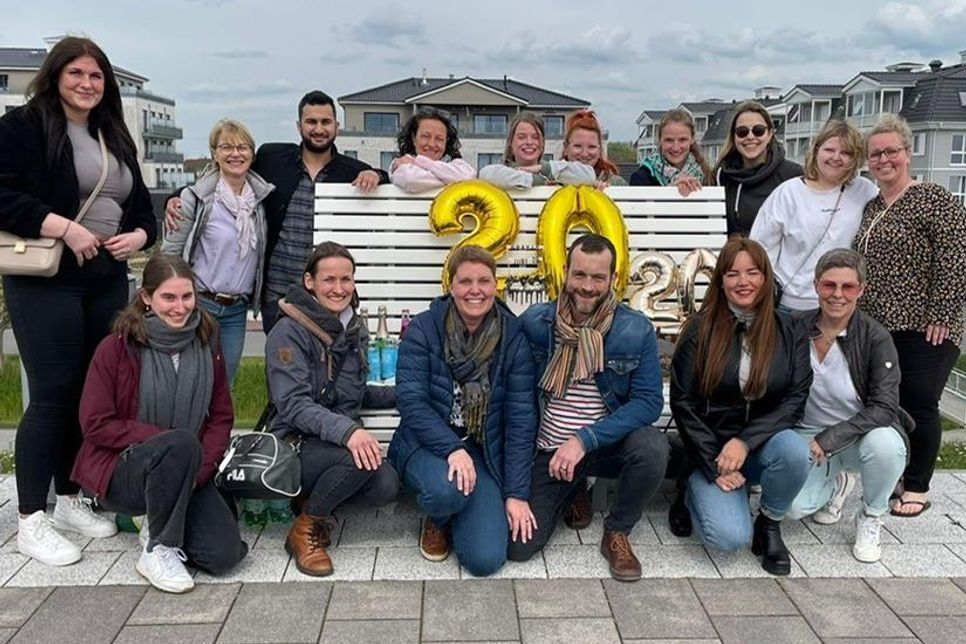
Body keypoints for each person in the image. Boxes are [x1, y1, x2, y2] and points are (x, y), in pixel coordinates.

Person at [0, 36, 156, 566]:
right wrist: (66, 228)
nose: (87, 84)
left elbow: (142, 210)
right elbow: (4, 195)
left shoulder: (113, 133)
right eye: (77, 74)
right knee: (52, 394)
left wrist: (139, 237)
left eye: (96, 76)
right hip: (47, 278)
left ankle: (69, 497)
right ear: (55, 76)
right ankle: (30, 518)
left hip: (105, 278)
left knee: (90, 392)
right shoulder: (24, 126)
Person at [74, 254, 247, 593]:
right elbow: (95, 424)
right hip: (124, 470)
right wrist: (167, 442)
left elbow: (221, 415)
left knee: (224, 556)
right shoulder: (116, 347)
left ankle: (161, 516)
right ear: (146, 297)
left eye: (187, 296)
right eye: (168, 297)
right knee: (179, 444)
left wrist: (196, 471)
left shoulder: (207, 340)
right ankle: (157, 548)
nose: (180, 307)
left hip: (188, 468)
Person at [507, 234, 668, 582]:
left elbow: (649, 402)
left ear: (613, 278)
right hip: (549, 449)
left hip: (604, 445)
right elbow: (515, 395)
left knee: (652, 446)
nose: (588, 286)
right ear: (565, 271)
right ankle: (572, 488)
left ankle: (617, 530)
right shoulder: (535, 323)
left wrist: (584, 439)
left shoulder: (635, 329)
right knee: (518, 547)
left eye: (598, 277)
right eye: (579, 274)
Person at [166, 90, 387, 332]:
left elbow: (387, 183)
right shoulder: (272, 158)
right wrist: (175, 197)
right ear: (298, 126)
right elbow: (228, 173)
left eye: (325, 122)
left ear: (337, 127)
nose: (318, 129)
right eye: (311, 122)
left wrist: (377, 174)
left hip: (325, 296)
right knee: (280, 355)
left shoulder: (352, 171)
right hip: (278, 296)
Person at [388, 246, 537, 576]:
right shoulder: (424, 328)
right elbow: (411, 401)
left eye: (484, 281)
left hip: (481, 449)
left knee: (484, 560)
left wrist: (516, 494)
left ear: (495, 285)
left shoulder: (512, 337)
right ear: (451, 286)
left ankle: (462, 513)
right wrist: (452, 448)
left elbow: (520, 419)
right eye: (465, 281)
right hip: (425, 443)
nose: (475, 290)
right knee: (448, 491)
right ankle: (438, 517)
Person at [669, 237, 811, 575]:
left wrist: (745, 442)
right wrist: (714, 462)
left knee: (794, 451)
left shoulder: (789, 329)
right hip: (710, 450)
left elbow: (796, 398)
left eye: (752, 272)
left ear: (766, 277)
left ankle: (769, 523)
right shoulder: (699, 330)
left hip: (760, 446)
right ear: (720, 281)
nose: (742, 282)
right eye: (732, 274)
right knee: (728, 538)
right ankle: (690, 491)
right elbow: (683, 403)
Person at [853, 114, 966, 517]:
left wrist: (942, 313)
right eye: (876, 154)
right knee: (890, 403)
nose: (884, 159)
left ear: (907, 153)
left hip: (925, 325)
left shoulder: (935, 199)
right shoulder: (872, 206)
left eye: (891, 151)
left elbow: (955, 258)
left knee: (920, 401)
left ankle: (917, 485)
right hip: (879, 326)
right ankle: (897, 476)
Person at [265, 241, 399, 576]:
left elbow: (350, 395)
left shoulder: (352, 328)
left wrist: (404, 394)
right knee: (359, 458)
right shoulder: (288, 330)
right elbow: (292, 404)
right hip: (295, 440)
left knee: (386, 485)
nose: (338, 288)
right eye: (329, 280)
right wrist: (349, 432)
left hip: (332, 440)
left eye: (346, 279)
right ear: (309, 281)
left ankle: (311, 503)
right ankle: (305, 530)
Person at [787, 249, 910, 563]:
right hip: (807, 432)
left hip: (859, 434)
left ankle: (871, 514)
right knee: (793, 508)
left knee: (886, 447)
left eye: (848, 287)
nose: (837, 295)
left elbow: (885, 406)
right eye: (829, 285)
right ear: (816, 285)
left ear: (861, 290)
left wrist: (830, 440)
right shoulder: (794, 326)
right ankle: (837, 484)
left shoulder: (875, 337)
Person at [161, 119, 273, 384]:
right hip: (199, 304)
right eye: (226, 147)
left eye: (242, 147)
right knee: (189, 380)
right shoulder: (196, 198)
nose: (235, 154)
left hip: (236, 309)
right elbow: (170, 254)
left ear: (252, 153)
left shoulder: (260, 201)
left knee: (224, 383)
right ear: (214, 153)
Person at [751, 120, 878, 311]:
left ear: (855, 159)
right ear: (816, 150)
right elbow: (761, 248)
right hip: (790, 306)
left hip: (842, 305)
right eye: (829, 150)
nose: (836, 157)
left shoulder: (865, 190)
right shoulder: (788, 193)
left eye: (846, 153)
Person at [712, 101, 802, 235]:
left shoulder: (792, 175)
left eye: (758, 131)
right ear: (734, 137)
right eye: (742, 132)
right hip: (731, 248)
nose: (750, 137)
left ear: (770, 134)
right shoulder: (722, 176)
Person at [478, 111, 596, 189]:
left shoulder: (555, 172)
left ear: (542, 143)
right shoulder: (501, 171)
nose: (529, 142)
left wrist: (543, 169)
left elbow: (588, 176)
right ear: (511, 143)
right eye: (521, 137)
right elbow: (485, 174)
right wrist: (536, 180)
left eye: (535, 137)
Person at [389, 107, 476, 193]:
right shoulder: (400, 163)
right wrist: (450, 178)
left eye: (439, 139)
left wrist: (418, 161)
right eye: (426, 136)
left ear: (446, 141)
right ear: (413, 138)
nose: (432, 144)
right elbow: (411, 181)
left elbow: (468, 177)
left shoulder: (457, 164)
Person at [630, 108, 712, 196]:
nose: (676, 148)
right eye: (669, 140)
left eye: (682, 140)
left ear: (692, 139)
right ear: (660, 140)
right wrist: (671, 191)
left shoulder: (707, 176)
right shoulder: (640, 178)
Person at [561, 110, 626, 187]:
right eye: (577, 146)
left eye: (591, 147)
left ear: (599, 150)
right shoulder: (551, 180)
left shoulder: (616, 184)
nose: (584, 154)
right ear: (566, 148)